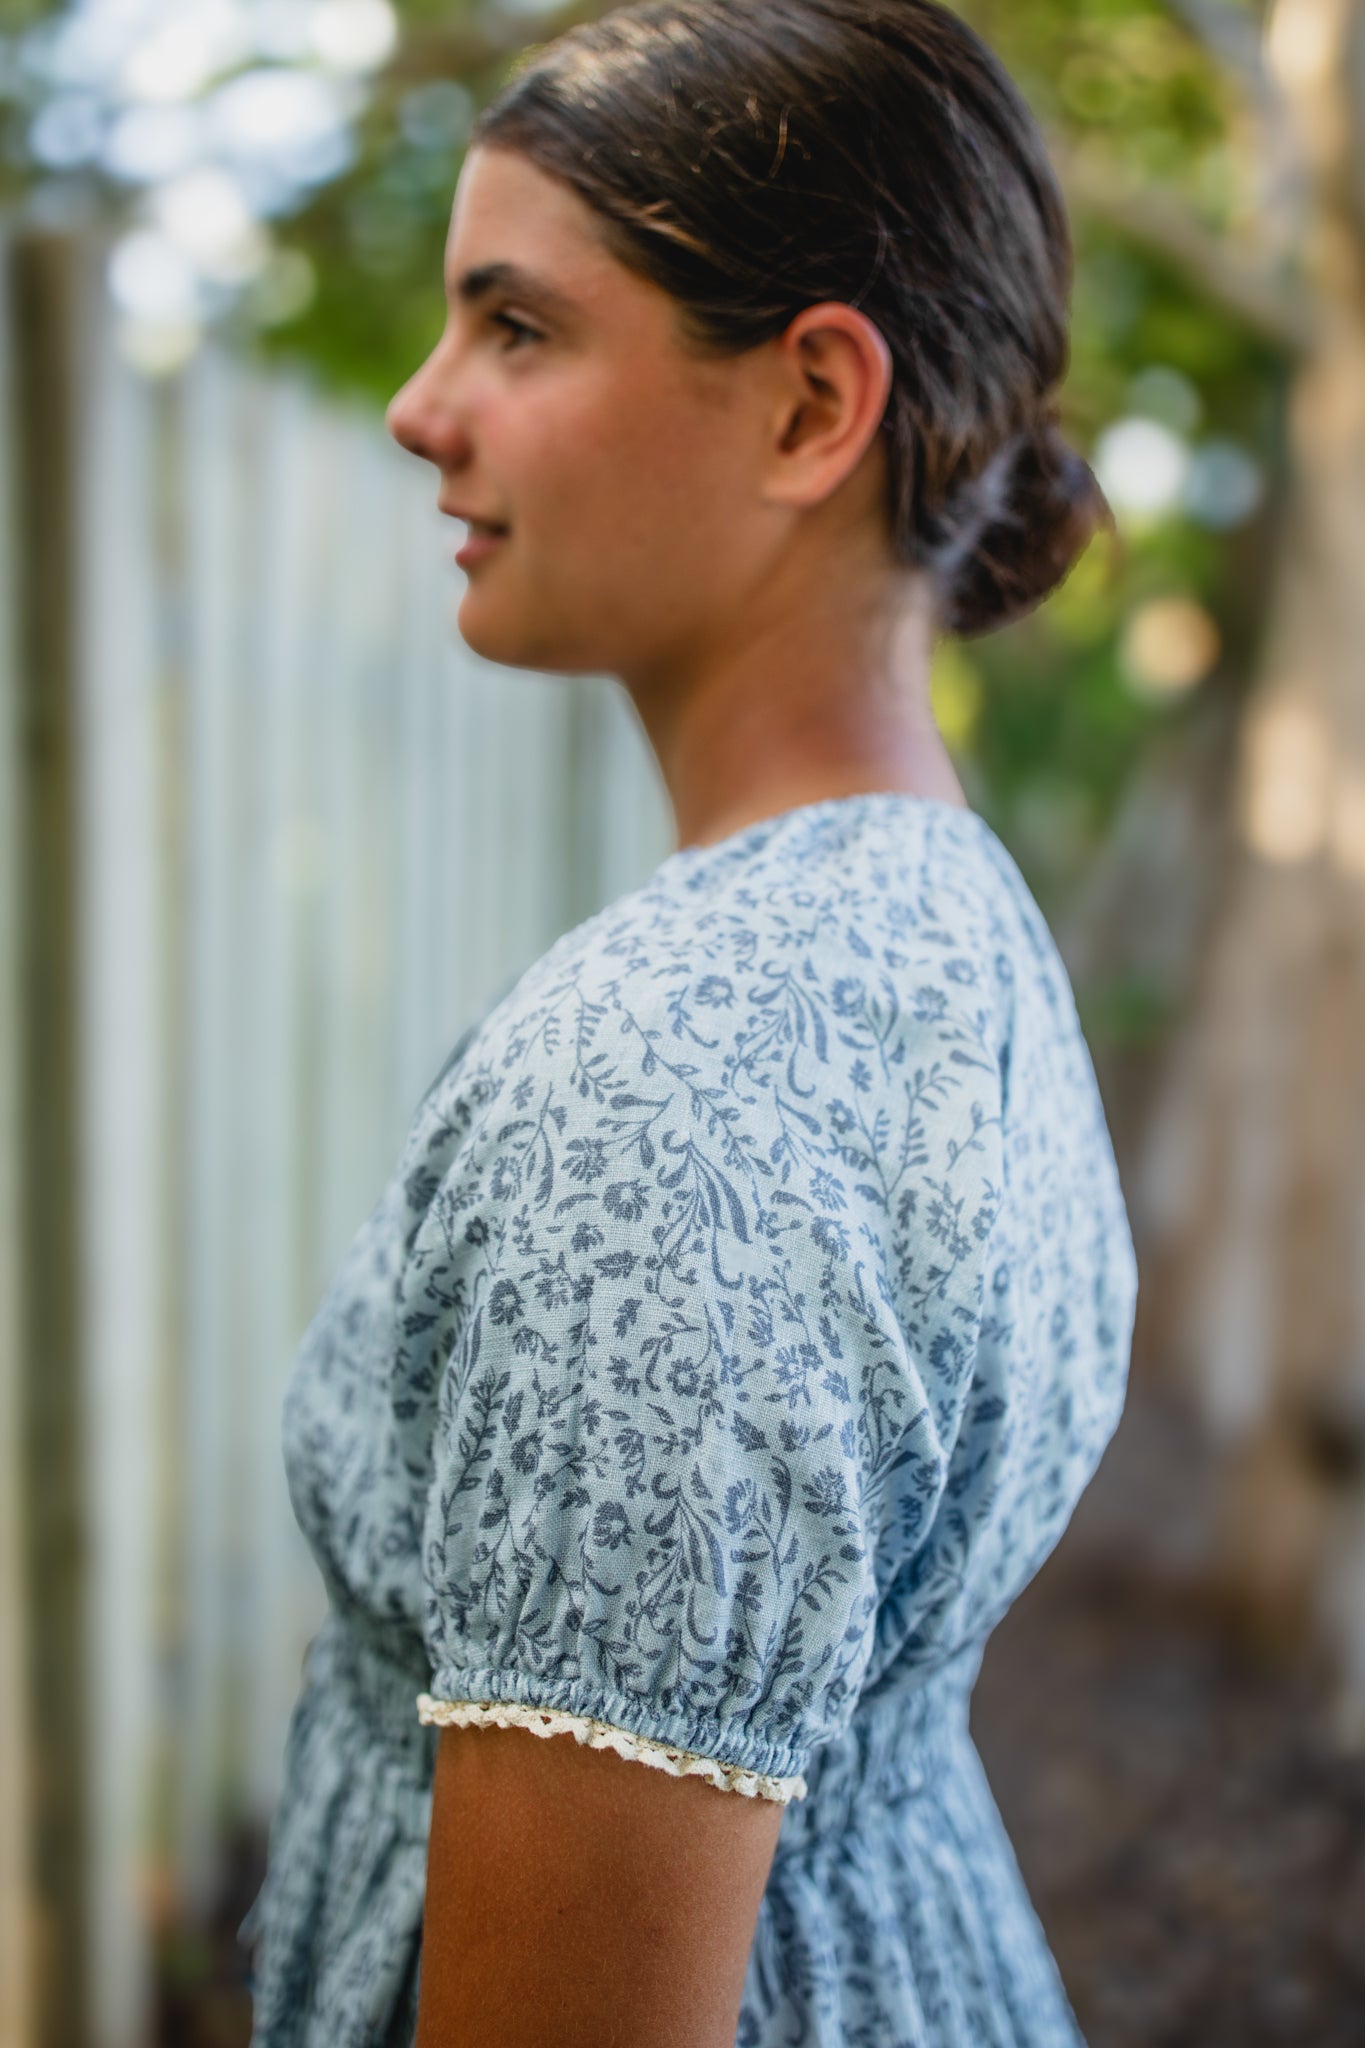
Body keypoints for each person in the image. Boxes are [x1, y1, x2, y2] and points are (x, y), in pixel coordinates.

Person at [237, 2, 1139, 2043]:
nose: (414, 405)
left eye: (515, 327)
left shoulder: (670, 1086)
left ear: (813, 401)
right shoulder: (944, 913)